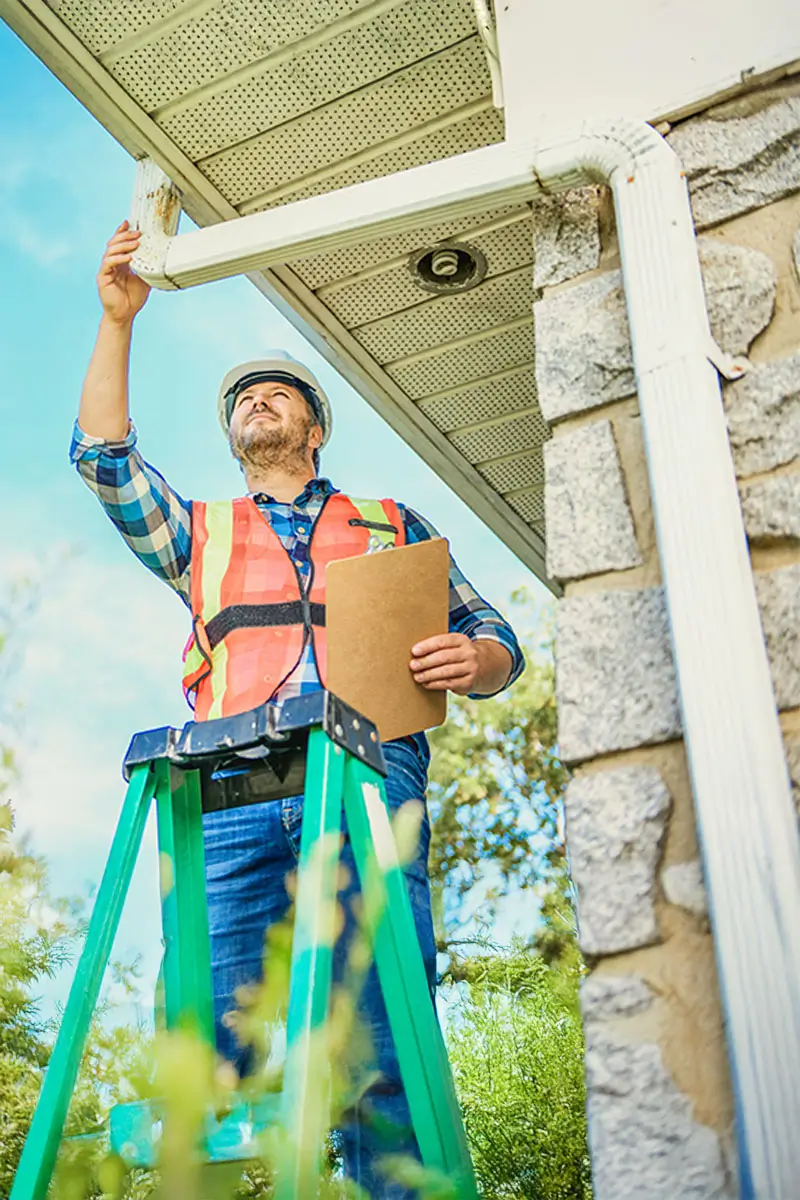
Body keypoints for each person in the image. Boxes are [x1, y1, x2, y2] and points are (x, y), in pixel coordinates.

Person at [72, 221, 524, 1197]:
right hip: (228, 790)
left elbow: (497, 641)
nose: (253, 399)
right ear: (234, 436)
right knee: (205, 1041)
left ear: (312, 427)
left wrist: (474, 658)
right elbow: (105, 461)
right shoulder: (197, 533)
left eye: (274, 390)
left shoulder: (390, 525)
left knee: (382, 1043)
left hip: (367, 782)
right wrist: (118, 319)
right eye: (240, 397)